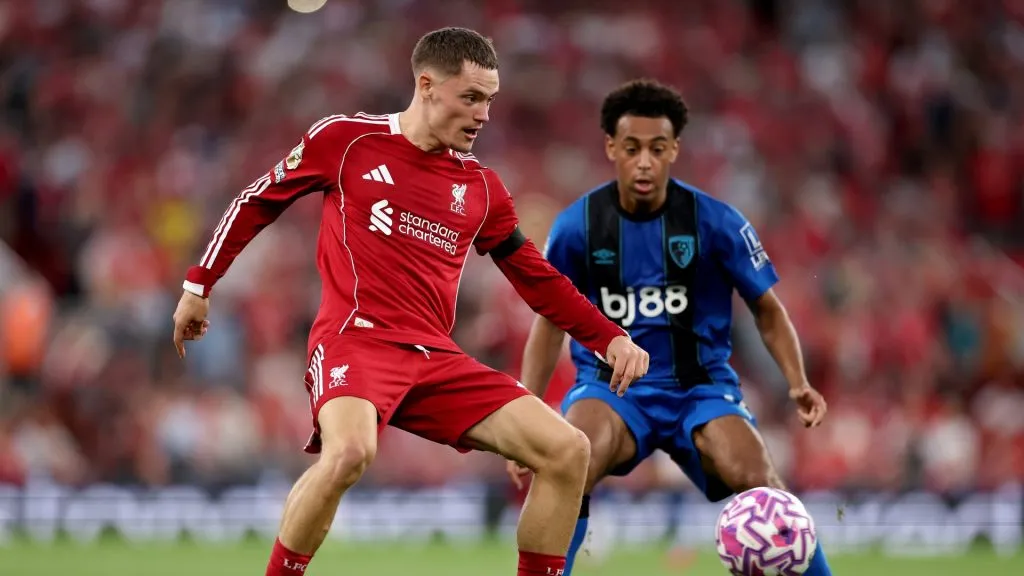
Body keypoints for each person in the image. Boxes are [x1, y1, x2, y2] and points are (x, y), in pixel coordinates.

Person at [171, 28, 649, 576]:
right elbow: (256, 201)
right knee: (350, 453)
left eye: (490, 100)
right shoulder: (346, 140)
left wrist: (609, 337)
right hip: (355, 340)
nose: (484, 114)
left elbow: (537, 279)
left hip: (434, 358)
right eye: (471, 97)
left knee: (568, 450)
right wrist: (198, 287)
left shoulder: (481, 188)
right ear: (427, 86)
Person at [506, 79, 834, 575]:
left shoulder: (716, 222)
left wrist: (797, 380)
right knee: (569, 458)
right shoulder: (578, 227)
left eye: (657, 149)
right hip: (611, 388)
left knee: (761, 481)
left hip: (701, 388)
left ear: (674, 150)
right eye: (632, 148)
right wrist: (527, 415)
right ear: (611, 148)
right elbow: (549, 323)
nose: (644, 162)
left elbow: (767, 309)